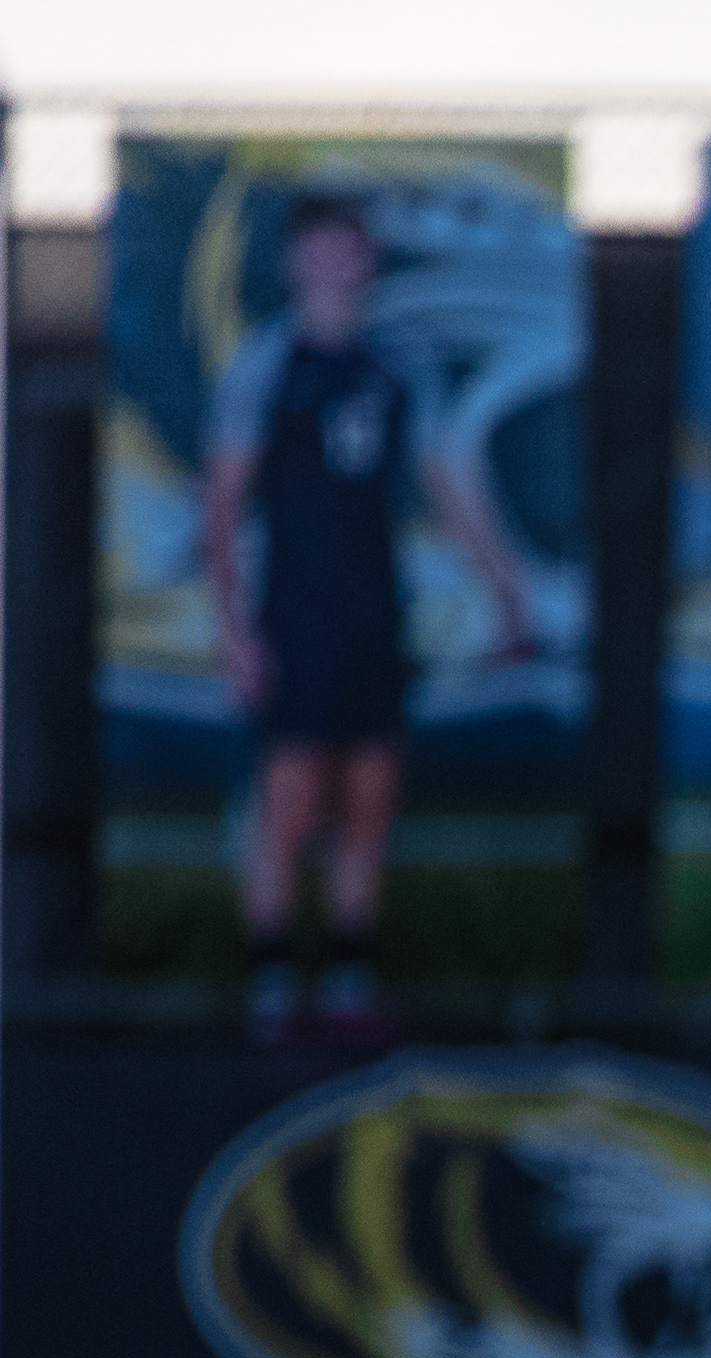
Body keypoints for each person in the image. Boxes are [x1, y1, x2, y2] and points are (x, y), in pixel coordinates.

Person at [201, 190, 536, 1039]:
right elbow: (223, 506)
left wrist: (506, 590)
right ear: (292, 262)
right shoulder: (266, 363)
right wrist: (235, 634)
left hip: (375, 610)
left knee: (369, 794)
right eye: (316, 249)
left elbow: (449, 487)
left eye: (345, 248)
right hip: (293, 611)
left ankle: (350, 974)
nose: (332, 265)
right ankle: (272, 981)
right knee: (290, 795)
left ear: (368, 259)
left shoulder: (397, 366)